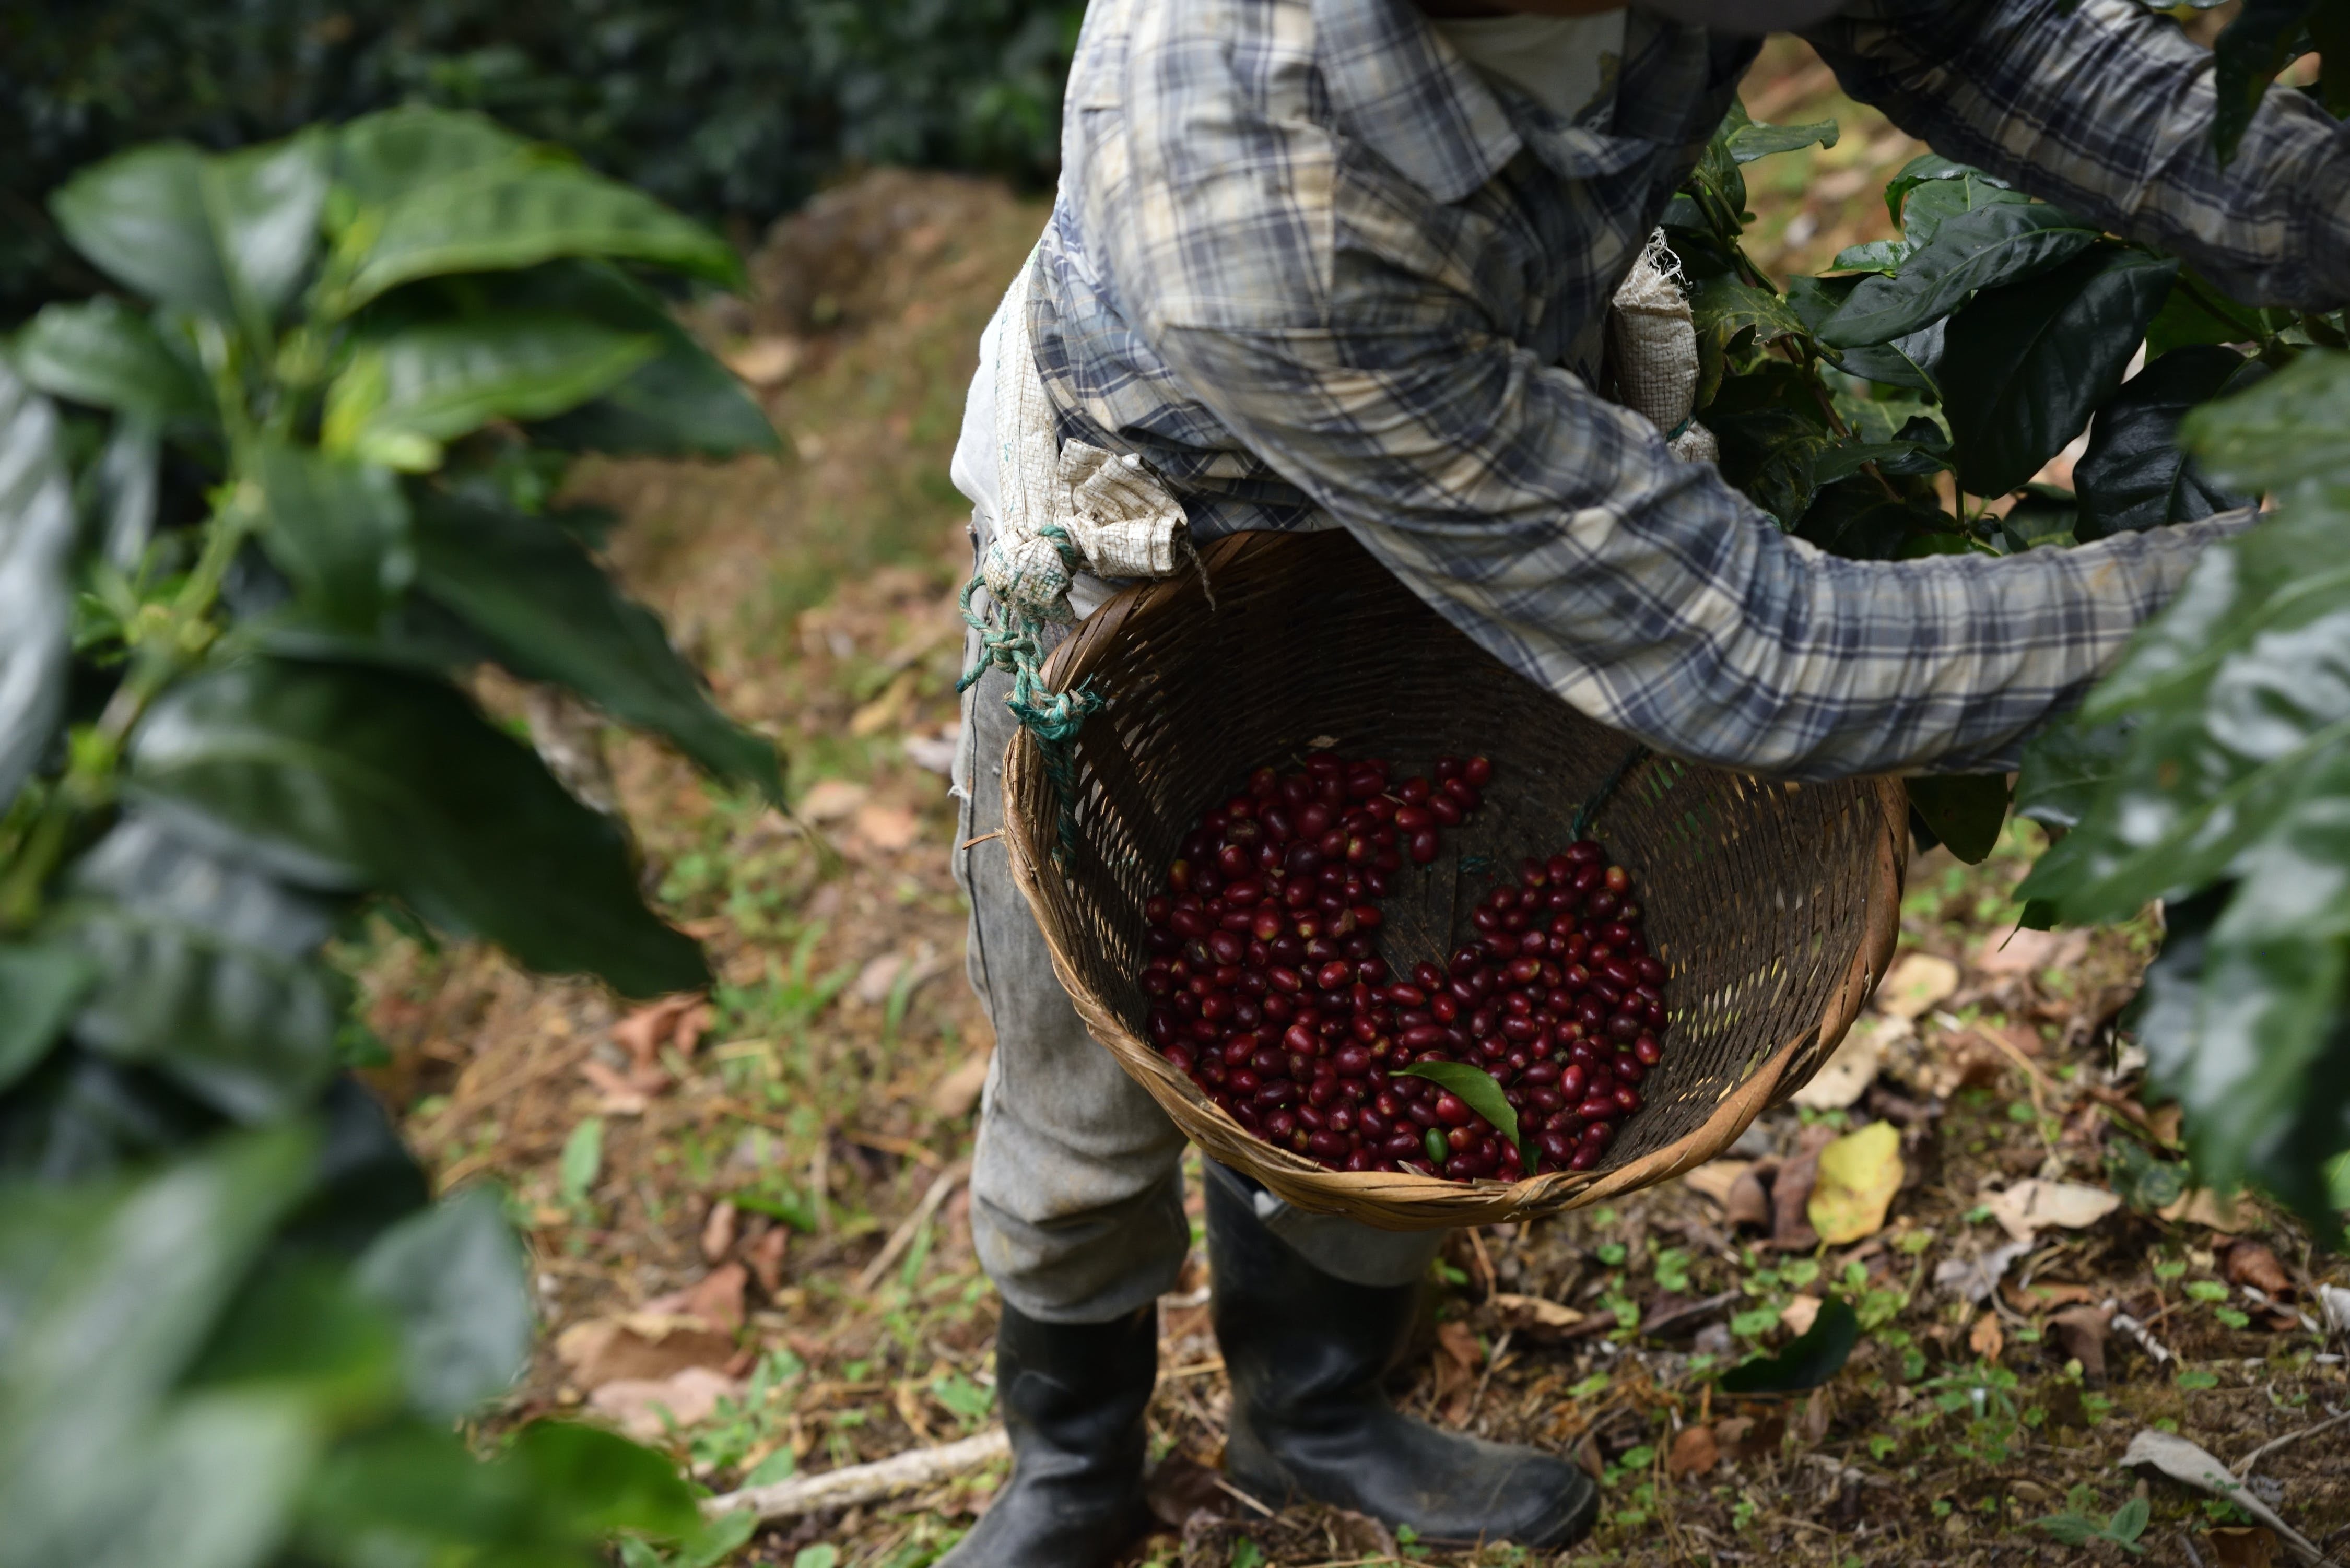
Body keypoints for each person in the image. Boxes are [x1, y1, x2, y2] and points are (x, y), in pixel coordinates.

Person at [940, 0, 2349, 1561]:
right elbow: (1762, 657)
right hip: (1155, 539)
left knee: (1412, 1027)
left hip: (1499, 464)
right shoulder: (1255, 203)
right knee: (1081, 1086)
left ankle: (1314, 1406)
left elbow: (1974, 37)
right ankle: (1071, 1461)